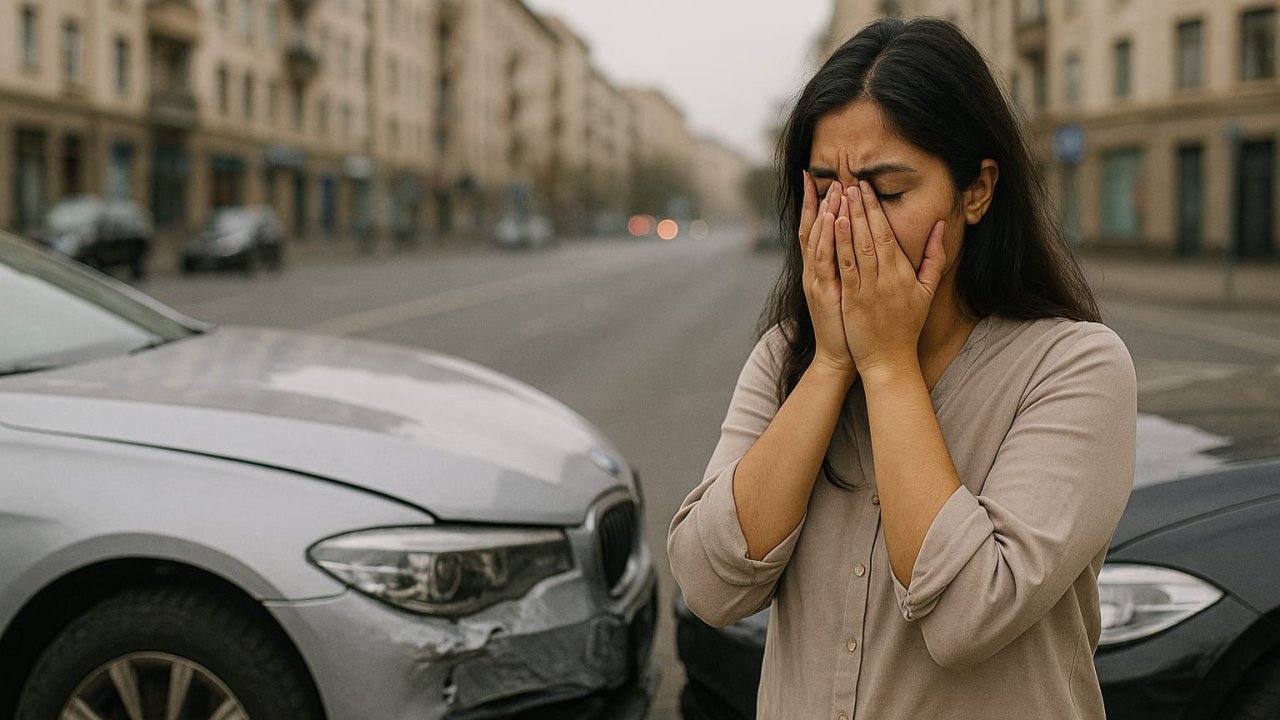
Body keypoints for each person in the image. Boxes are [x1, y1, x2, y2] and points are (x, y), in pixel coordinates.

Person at [668, 16, 1136, 720]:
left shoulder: (1074, 367)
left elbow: (969, 615)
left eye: (886, 193)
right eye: (825, 189)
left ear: (975, 191)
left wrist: (887, 366)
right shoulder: (786, 358)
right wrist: (830, 364)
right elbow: (709, 586)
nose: (851, 224)